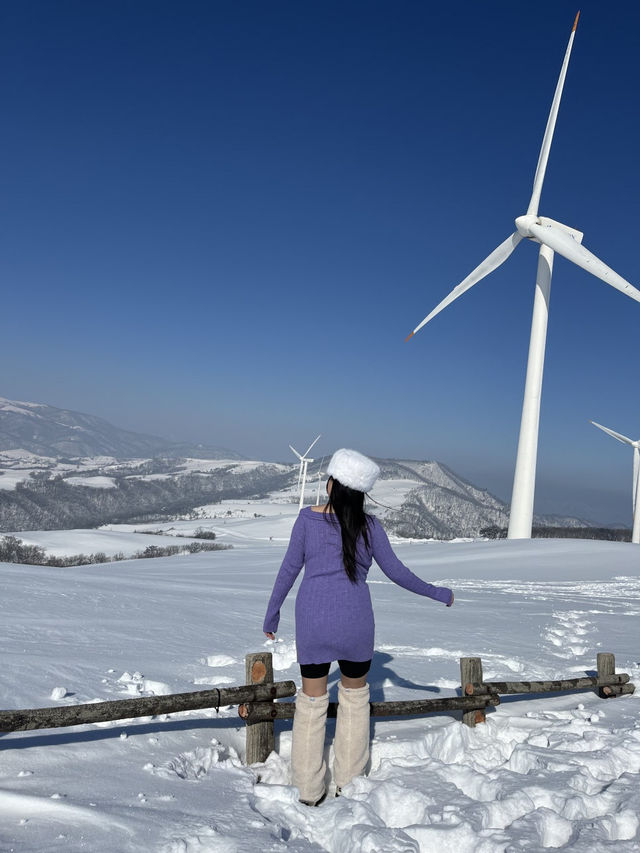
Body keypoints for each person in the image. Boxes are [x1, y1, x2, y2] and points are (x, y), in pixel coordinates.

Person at [263, 448, 454, 805]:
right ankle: (349, 782)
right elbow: (398, 573)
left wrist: (271, 615)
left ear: (331, 484)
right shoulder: (371, 527)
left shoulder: (306, 520)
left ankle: (307, 789)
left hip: (313, 623)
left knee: (312, 703)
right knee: (353, 700)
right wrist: (439, 593)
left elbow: (288, 571)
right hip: (356, 625)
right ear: (360, 493)